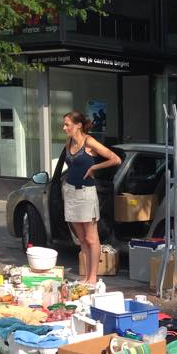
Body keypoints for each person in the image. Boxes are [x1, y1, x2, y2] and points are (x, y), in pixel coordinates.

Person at [60, 111, 121, 284]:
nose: (64, 128)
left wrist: (94, 168)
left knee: (91, 237)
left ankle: (93, 278)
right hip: (71, 192)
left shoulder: (89, 141)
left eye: (67, 124)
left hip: (86, 193)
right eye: (64, 125)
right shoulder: (69, 142)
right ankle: (86, 277)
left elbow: (115, 159)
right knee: (81, 239)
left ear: (78, 125)